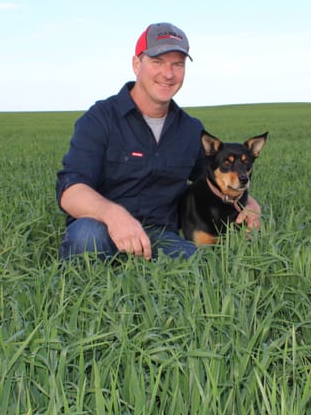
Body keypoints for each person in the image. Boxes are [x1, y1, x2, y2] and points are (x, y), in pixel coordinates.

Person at [56, 22, 261, 260]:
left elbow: (213, 177)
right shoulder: (100, 119)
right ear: (136, 64)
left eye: (178, 64)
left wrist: (248, 203)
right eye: (157, 62)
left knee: (203, 267)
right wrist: (114, 215)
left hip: (160, 236)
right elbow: (71, 190)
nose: (168, 73)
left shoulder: (190, 130)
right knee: (86, 239)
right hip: (102, 226)